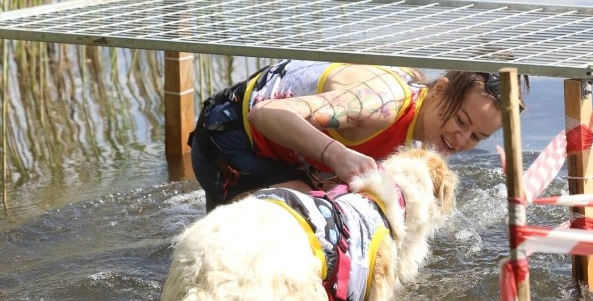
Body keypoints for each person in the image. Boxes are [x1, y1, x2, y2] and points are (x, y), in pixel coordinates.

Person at [189, 59, 529, 211]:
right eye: (460, 120)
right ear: (440, 90)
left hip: (286, 159)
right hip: (229, 136)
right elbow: (266, 113)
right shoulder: (378, 102)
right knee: (310, 214)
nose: (460, 138)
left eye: (476, 137)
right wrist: (338, 155)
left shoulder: (424, 118)